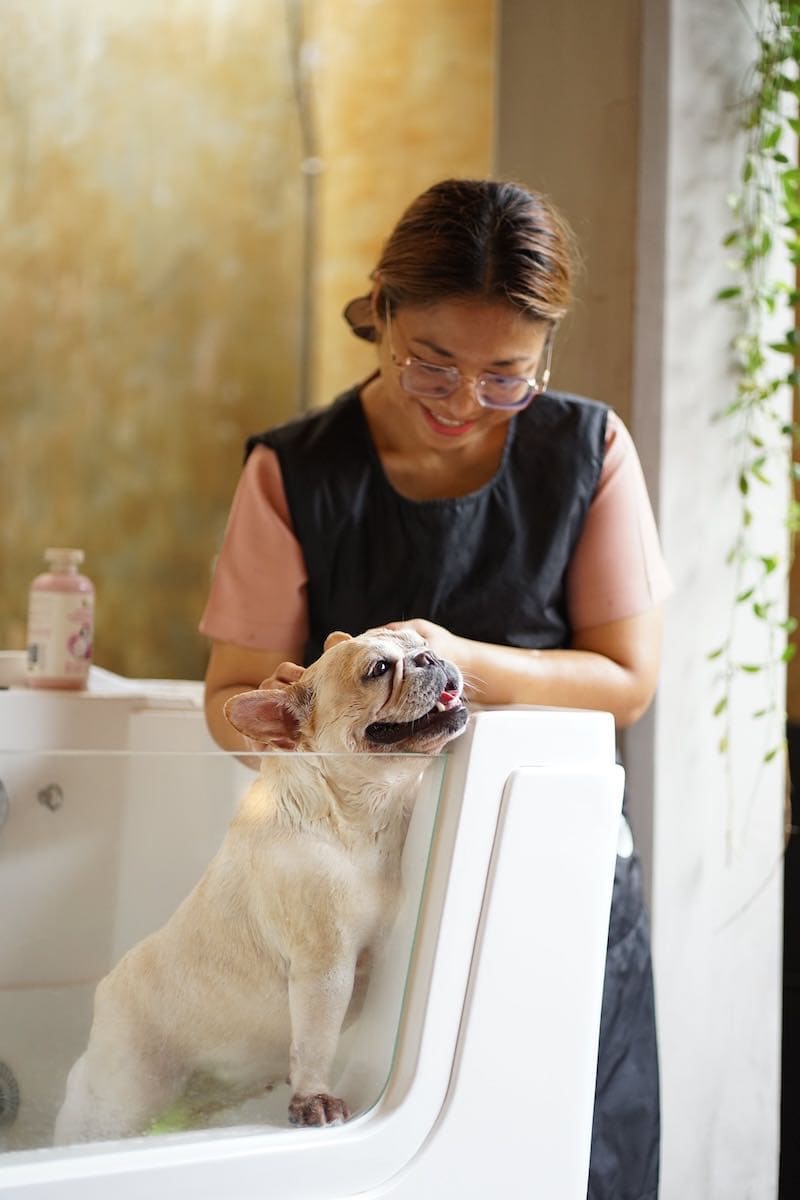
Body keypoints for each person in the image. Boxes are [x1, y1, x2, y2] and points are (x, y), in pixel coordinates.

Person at [200, 177, 670, 1200]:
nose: (464, 402)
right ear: (381, 313)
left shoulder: (586, 450)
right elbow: (231, 688)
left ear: (546, 348)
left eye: (507, 375)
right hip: (351, 906)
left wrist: (447, 653)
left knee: (578, 1165)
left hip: (554, 878)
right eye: (432, 365)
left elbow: (625, 682)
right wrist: (298, 725)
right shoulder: (294, 472)